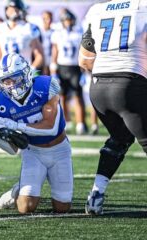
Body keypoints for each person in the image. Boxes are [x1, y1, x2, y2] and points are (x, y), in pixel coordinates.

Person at [78, 0, 147, 215]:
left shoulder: (96, 10)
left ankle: (96, 194)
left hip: (98, 88)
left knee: (120, 139)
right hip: (129, 84)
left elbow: (85, 61)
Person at [0, 53, 73, 214]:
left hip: (60, 150)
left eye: (15, 78)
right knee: (26, 208)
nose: (11, 85)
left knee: (62, 208)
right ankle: (17, 193)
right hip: (33, 152)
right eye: (6, 81)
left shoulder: (46, 85)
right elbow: (13, 149)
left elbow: (51, 128)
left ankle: (22, 186)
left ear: (26, 74)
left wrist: (15, 124)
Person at [0, 0, 44, 91]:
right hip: (5, 75)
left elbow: (39, 56)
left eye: (15, 9)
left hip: (23, 74)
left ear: (21, 11)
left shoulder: (28, 28)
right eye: (10, 9)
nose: (12, 12)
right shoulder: (0, 28)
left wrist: (31, 70)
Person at [50, 9, 86, 135]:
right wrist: (53, 69)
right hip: (62, 67)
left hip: (75, 67)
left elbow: (83, 52)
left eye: (69, 20)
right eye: (65, 20)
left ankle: (81, 124)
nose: (68, 22)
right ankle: (66, 122)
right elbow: (55, 52)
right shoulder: (58, 33)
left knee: (77, 96)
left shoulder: (79, 33)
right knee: (62, 96)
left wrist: (84, 70)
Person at [40, 11, 54, 76]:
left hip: (51, 64)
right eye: (45, 19)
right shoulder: (38, 33)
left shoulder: (55, 33)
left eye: (49, 18)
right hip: (40, 64)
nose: (47, 21)